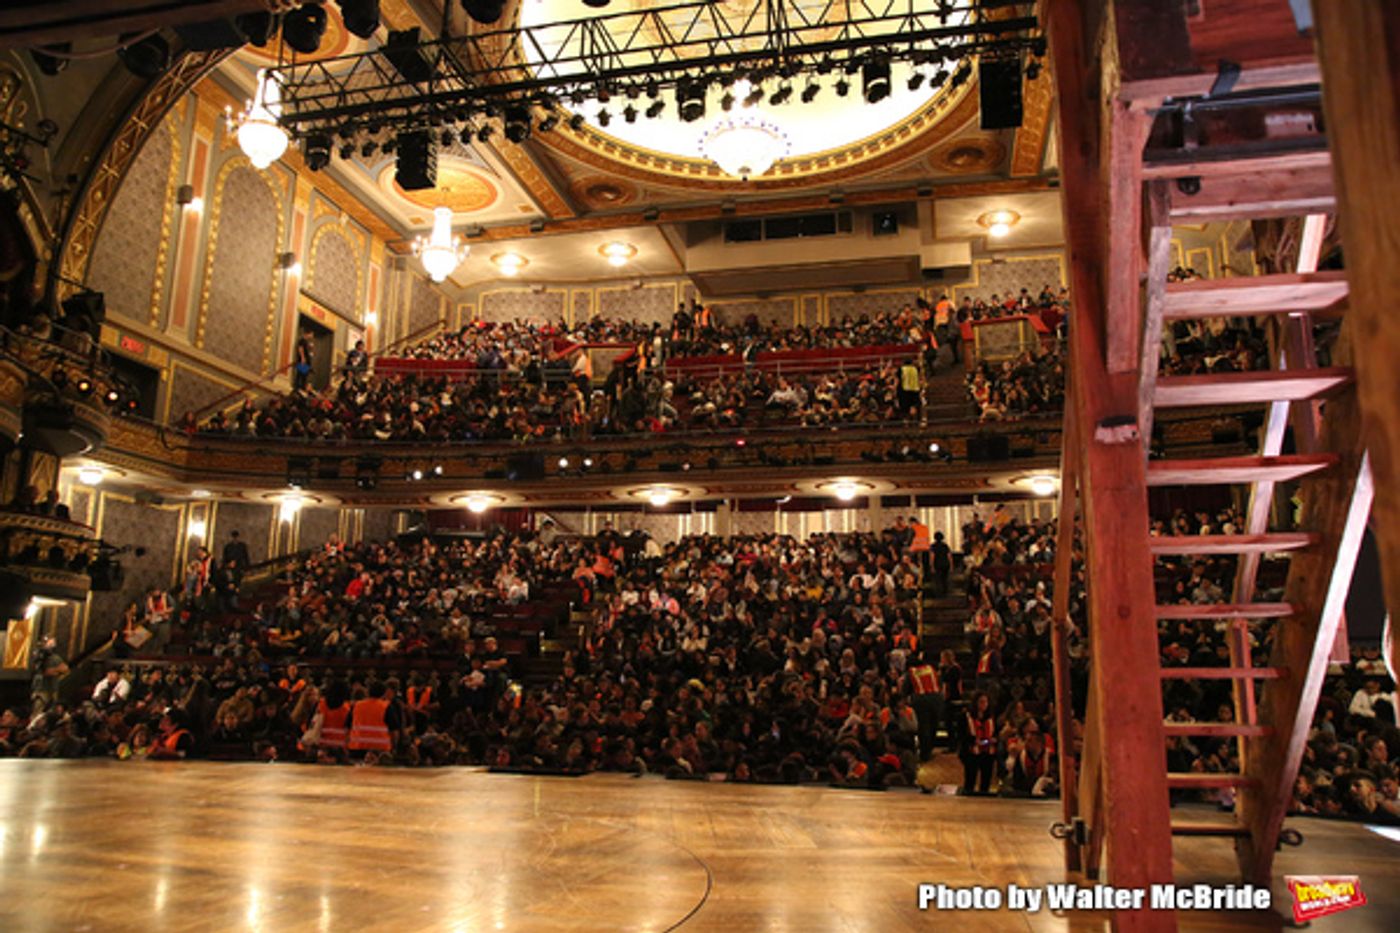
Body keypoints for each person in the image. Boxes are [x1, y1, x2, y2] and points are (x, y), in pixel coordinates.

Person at [960, 691, 997, 795]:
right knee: (970, 778)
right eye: (981, 702)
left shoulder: (991, 718)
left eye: (986, 702)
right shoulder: (966, 717)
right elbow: (961, 734)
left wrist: (993, 739)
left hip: (988, 751)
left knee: (986, 779)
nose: (984, 705)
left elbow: (996, 733)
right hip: (971, 751)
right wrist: (972, 740)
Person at [30, 636, 67, 712]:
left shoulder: (55, 658)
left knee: (50, 711)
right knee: (37, 710)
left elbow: (65, 669)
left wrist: (54, 670)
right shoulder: (37, 657)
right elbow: (42, 671)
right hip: (39, 689)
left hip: (51, 689)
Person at [930, 531, 952, 597]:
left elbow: (932, 556)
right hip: (945, 564)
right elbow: (949, 556)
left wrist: (932, 566)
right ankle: (945, 592)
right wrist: (951, 565)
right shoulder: (945, 545)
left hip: (937, 564)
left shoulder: (933, 546)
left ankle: (939, 593)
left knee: (938, 579)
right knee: (944, 579)